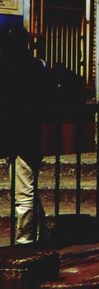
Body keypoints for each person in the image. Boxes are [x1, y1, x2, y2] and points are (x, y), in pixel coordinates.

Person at [0, 25, 49, 245]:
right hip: (31, 135)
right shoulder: (38, 66)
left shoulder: (6, 69)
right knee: (28, 187)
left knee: (23, 193)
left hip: (15, 137)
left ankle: (25, 241)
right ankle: (39, 233)